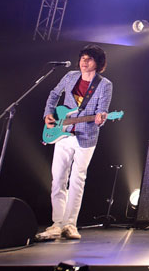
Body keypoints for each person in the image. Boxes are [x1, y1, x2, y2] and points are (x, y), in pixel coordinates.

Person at [36, 45, 114, 241]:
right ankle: (57, 224)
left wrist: (101, 118)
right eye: (82, 58)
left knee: (77, 180)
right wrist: (48, 113)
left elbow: (102, 110)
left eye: (89, 59)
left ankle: (70, 224)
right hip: (62, 133)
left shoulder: (104, 84)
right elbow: (54, 94)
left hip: (86, 136)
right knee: (58, 179)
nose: (84, 62)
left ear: (98, 63)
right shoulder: (70, 76)